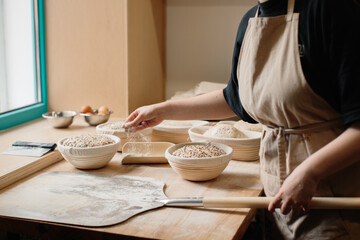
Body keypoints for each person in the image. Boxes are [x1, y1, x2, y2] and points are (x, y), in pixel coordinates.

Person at [123, 0, 360, 238]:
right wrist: (163, 110)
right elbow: (234, 99)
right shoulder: (250, 21)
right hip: (277, 202)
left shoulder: (329, 10)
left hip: (331, 203)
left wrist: (309, 173)